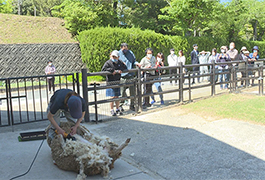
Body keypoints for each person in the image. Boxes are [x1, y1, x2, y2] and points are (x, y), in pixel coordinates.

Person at [102, 50, 128, 116]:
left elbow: (125, 67)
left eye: (115, 57)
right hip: (110, 82)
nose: (114, 58)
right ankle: (111, 109)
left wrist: (120, 70)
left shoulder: (119, 62)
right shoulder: (108, 62)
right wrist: (111, 71)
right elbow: (103, 69)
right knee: (112, 96)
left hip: (117, 81)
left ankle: (117, 108)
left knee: (117, 96)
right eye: (113, 56)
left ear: (118, 57)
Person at [118, 43, 141, 111]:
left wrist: (137, 63)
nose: (125, 49)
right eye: (124, 48)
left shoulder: (130, 53)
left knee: (133, 92)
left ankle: (132, 105)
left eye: (126, 48)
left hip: (130, 75)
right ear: (121, 48)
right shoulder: (118, 53)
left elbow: (134, 61)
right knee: (122, 92)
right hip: (123, 76)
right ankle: (120, 105)